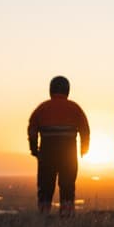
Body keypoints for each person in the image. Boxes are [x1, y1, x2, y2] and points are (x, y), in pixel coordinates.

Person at [27, 75, 90, 216]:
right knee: (67, 186)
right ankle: (66, 216)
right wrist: (84, 149)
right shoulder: (75, 108)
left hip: (47, 154)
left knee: (45, 186)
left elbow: (32, 130)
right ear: (67, 90)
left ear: (51, 89)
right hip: (68, 155)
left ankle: (43, 215)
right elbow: (85, 130)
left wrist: (34, 149)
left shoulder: (42, 108)